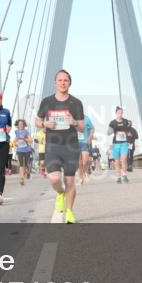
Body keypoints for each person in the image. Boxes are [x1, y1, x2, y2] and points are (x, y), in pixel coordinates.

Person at [36, 69, 85, 223]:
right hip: (53, 146)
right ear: (55, 82)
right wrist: (44, 123)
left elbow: (82, 127)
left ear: (70, 83)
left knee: (70, 181)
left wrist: (74, 122)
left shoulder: (76, 103)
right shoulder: (47, 102)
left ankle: (69, 212)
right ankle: (60, 193)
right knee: (54, 178)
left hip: (71, 147)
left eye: (66, 80)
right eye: (60, 80)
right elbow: (37, 121)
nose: (63, 83)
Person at [108, 107, 132, 183]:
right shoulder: (112, 122)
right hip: (116, 143)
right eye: (119, 113)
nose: (120, 114)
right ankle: (118, 177)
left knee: (124, 159)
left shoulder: (126, 121)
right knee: (117, 161)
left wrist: (130, 126)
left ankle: (124, 175)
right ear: (116, 113)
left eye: (121, 113)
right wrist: (112, 129)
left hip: (124, 143)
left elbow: (128, 131)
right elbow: (108, 133)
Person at [13, 119, 33, 185]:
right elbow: (15, 140)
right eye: (19, 124)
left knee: (26, 164)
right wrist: (15, 145)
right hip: (20, 150)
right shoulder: (16, 132)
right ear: (17, 125)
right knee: (21, 164)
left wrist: (24, 138)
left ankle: (28, 172)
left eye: (21, 124)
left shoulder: (26, 132)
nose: (20, 125)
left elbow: (30, 140)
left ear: (24, 125)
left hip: (27, 150)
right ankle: (21, 178)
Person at [77, 114, 95, 185]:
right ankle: (81, 178)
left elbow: (92, 128)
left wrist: (90, 137)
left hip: (84, 142)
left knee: (85, 160)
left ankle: (85, 172)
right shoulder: (72, 117)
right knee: (79, 162)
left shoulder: (86, 118)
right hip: (75, 142)